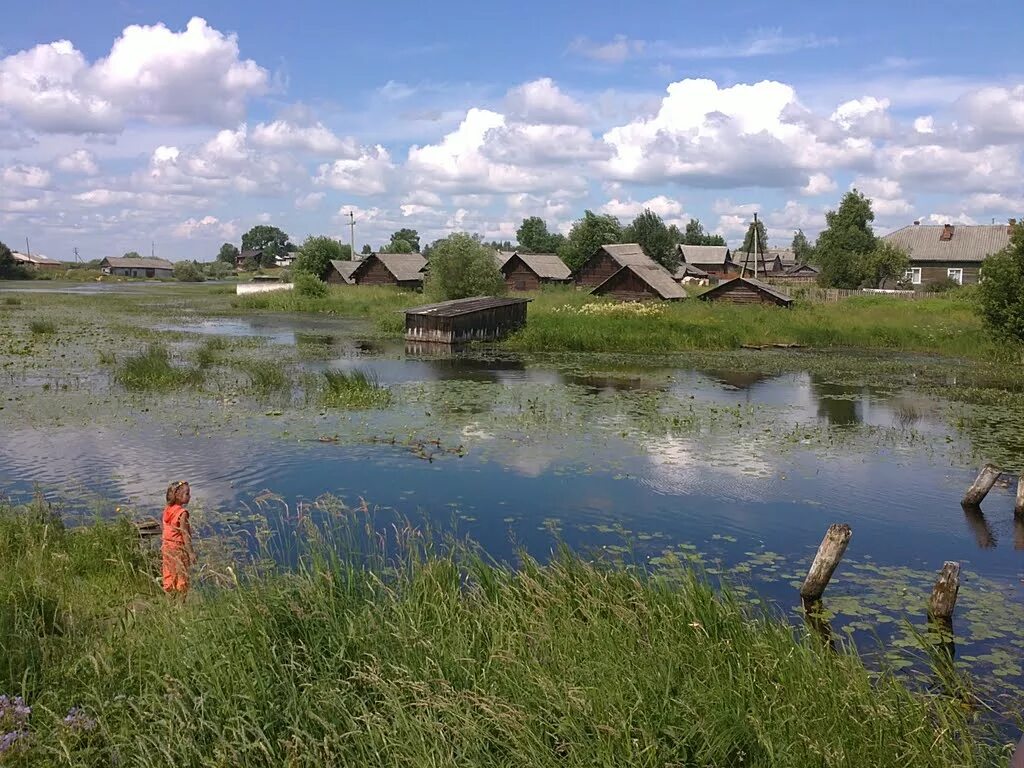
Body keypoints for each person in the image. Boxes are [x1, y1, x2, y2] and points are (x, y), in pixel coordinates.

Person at [161, 481, 195, 595]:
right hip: (178, 548)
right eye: (187, 494)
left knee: (169, 572)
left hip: (166, 547)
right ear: (178, 496)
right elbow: (185, 534)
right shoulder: (182, 513)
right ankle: (181, 603)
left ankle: (169, 597)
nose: (190, 496)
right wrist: (191, 553)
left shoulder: (167, 509)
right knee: (182, 574)